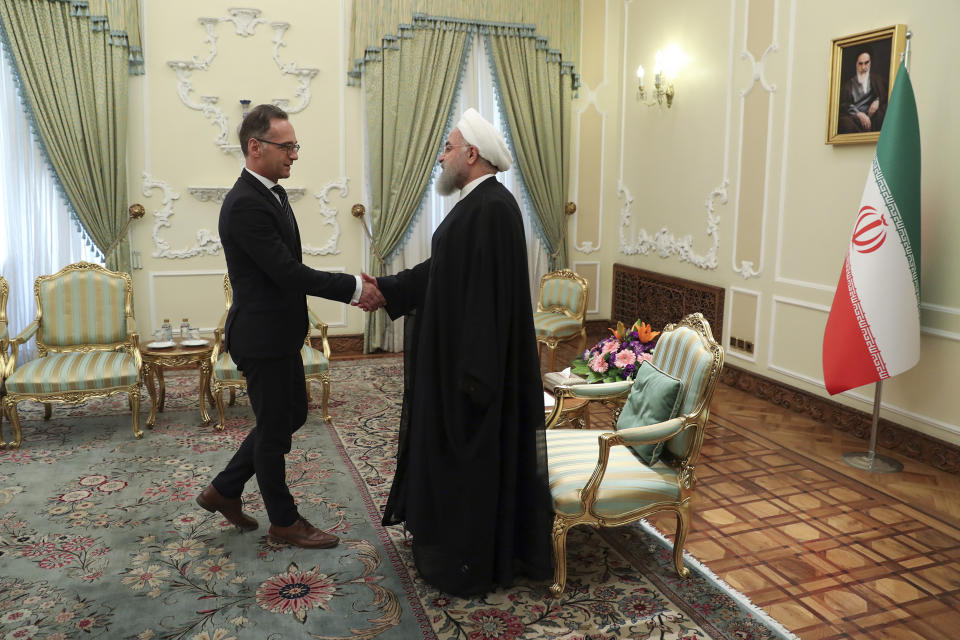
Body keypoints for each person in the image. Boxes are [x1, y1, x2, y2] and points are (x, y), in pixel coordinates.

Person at [368, 108, 553, 595]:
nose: (441, 157)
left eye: (448, 148)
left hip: (473, 371)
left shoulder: (491, 207)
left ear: (471, 154)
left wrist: (472, 378)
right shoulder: (478, 202)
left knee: (470, 465)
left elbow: (487, 303)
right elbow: (442, 270)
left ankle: (470, 561)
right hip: (459, 363)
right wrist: (387, 288)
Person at [196, 104, 384, 549]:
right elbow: (288, 272)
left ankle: (223, 489)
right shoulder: (245, 204)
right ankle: (284, 520)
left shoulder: (271, 193)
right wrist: (355, 288)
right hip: (261, 337)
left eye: (296, 146)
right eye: (287, 146)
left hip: (279, 333)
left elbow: (288, 270)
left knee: (291, 414)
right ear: (255, 147)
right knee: (275, 427)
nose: (295, 155)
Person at [838, 47, 887, 134]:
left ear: (870, 63)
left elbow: (885, 95)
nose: (863, 67)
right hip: (854, 118)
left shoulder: (877, 80)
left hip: (872, 117)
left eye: (866, 63)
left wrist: (877, 101)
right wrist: (859, 114)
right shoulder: (848, 85)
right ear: (856, 65)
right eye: (860, 64)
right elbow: (844, 105)